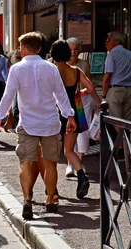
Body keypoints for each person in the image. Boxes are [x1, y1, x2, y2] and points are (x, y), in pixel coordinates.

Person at [0, 32, 76, 219]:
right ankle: (50, 200)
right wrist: (69, 116)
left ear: (23, 48)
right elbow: (61, 96)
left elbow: (8, 96)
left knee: (25, 162)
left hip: (28, 123)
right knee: (51, 164)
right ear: (39, 49)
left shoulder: (16, 69)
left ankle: (27, 200)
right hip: (50, 123)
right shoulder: (51, 68)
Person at [51, 40, 99, 199]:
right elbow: (90, 88)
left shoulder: (51, 70)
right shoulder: (76, 70)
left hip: (54, 114)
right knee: (69, 151)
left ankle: (52, 189)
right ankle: (82, 176)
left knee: (51, 154)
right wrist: (80, 93)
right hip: (73, 113)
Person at [66, 37, 95, 178]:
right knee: (69, 132)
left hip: (83, 102)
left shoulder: (83, 64)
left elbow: (89, 85)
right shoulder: (62, 64)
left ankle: (78, 163)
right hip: (68, 103)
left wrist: (97, 101)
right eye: (70, 49)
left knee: (82, 133)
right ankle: (70, 165)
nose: (73, 52)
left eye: (76, 49)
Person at [103, 31, 131, 122]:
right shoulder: (129, 54)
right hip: (129, 90)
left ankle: (119, 137)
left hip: (116, 91)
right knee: (128, 121)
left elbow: (107, 76)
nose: (106, 42)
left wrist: (104, 96)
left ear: (117, 42)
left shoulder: (112, 54)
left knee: (117, 120)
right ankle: (126, 137)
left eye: (108, 39)